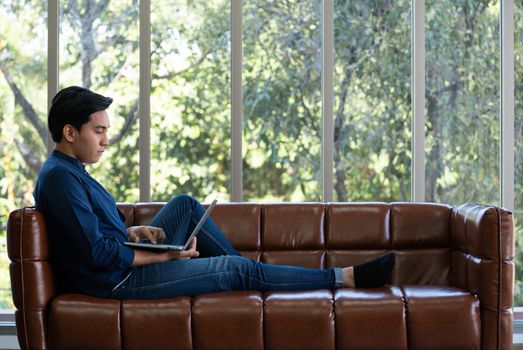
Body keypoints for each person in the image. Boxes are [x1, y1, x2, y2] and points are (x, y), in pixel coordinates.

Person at [33, 86, 395, 300]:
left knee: (185, 206)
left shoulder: (71, 172)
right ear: (69, 132)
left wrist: (131, 233)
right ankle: (342, 277)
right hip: (116, 282)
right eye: (98, 131)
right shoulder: (59, 179)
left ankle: (254, 278)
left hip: (118, 265)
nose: (106, 140)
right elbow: (97, 254)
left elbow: (89, 236)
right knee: (233, 268)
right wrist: (166, 258)